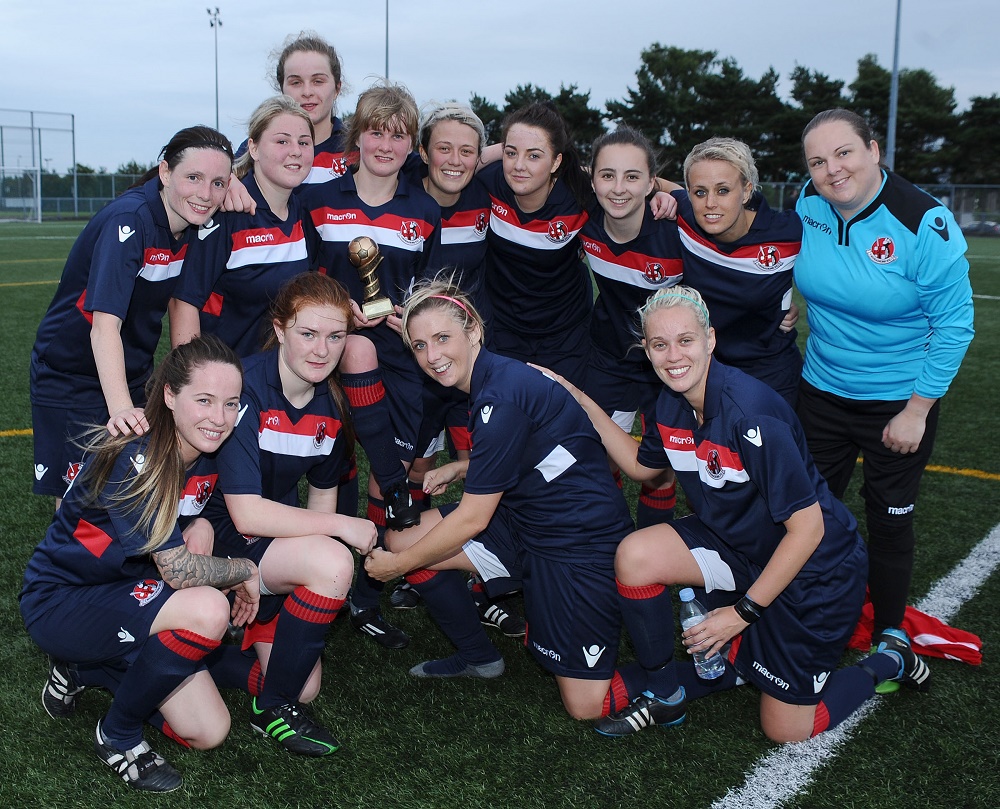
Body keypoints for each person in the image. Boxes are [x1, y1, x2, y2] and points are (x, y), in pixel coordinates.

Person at [544, 286, 930, 743]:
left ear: (710, 339)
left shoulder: (752, 412)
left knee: (785, 730)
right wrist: (579, 399)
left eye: (685, 340)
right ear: (645, 350)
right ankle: (666, 694)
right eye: (659, 344)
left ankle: (889, 661)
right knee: (636, 555)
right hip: (738, 547)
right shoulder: (668, 401)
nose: (673, 356)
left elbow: (808, 529)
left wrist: (741, 613)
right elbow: (642, 468)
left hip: (814, 571)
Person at [365, 278, 640, 722]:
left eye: (442, 338)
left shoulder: (499, 394)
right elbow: (530, 454)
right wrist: (460, 467)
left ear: (472, 330)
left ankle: (698, 675)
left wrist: (396, 570)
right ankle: (478, 655)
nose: (432, 356)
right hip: (524, 520)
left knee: (587, 706)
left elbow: (474, 517)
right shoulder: (495, 380)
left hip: (576, 544)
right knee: (405, 538)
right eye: (419, 345)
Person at [20, 336, 260, 792]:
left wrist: (204, 527)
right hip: (62, 601)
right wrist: (245, 571)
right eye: (204, 400)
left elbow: (211, 511)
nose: (220, 418)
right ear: (169, 395)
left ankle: (85, 669)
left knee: (209, 731)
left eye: (231, 403)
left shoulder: (211, 446)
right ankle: (118, 734)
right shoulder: (138, 454)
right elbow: (178, 571)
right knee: (208, 607)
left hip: (128, 595)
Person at [794, 109, 975, 667]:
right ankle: (804, 609)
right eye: (818, 161)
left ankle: (891, 633)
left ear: (874, 150)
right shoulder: (808, 202)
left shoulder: (923, 220)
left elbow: (955, 324)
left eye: (844, 152)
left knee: (889, 516)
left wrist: (917, 410)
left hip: (897, 402)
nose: (832, 170)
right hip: (821, 391)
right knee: (804, 513)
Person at [201, 272, 378, 754]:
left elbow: (321, 497)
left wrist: (320, 542)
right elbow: (246, 515)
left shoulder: (331, 405)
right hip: (205, 537)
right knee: (333, 562)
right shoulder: (245, 390)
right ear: (279, 330)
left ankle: (205, 653)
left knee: (308, 683)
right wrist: (340, 529)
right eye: (307, 333)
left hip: (263, 538)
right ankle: (272, 708)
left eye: (335, 336)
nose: (322, 350)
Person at [302, 81, 441, 647]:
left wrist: (409, 312)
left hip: (403, 358)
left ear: (412, 146)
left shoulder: (424, 211)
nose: (386, 143)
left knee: (398, 476)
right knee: (332, 473)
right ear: (357, 136)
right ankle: (327, 586)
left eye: (399, 134)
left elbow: (427, 289)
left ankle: (366, 596)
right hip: (334, 355)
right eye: (376, 131)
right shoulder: (321, 200)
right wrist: (340, 308)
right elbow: (303, 281)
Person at [30, 127, 234, 506]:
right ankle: (65, 568)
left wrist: (236, 186)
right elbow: (104, 326)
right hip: (71, 373)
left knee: (130, 492)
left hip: (132, 371)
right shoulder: (130, 220)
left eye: (218, 183)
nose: (206, 194)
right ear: (165, 172)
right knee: (78, 502)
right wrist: (121, 407)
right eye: (193, 177)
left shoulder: (193, 224)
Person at [580, 126, 684, 529]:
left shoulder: (676, 229)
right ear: (592, 179)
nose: (619, 188)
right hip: (609, 354)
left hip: (668, 361)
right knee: (596, 459)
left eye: (632, 176)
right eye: (608, 175)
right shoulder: (584, 219)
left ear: (650, 183)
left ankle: (653, 548)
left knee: (663, 466)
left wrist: (674, 195)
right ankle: (602, 546)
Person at [673, 137, 803, 406]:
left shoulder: (786, 232)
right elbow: (648, 181)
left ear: (746, 191)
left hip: (770, 371)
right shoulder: (683, 218)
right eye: (699, 192)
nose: (710, 203)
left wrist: (787, 304)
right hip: (704, 369)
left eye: (723, 190)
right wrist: (662, 193)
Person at [475, 102, 594, 388]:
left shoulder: (580, 194)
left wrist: (661, 193)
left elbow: (630, 185)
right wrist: (502, 146)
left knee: (560, 420)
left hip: (565, 331)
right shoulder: (487, 182)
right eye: (511, 153)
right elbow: (452, 163)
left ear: (556, 162)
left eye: (534, 156)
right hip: (504, 328)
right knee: (507, 416)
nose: (519, 166)